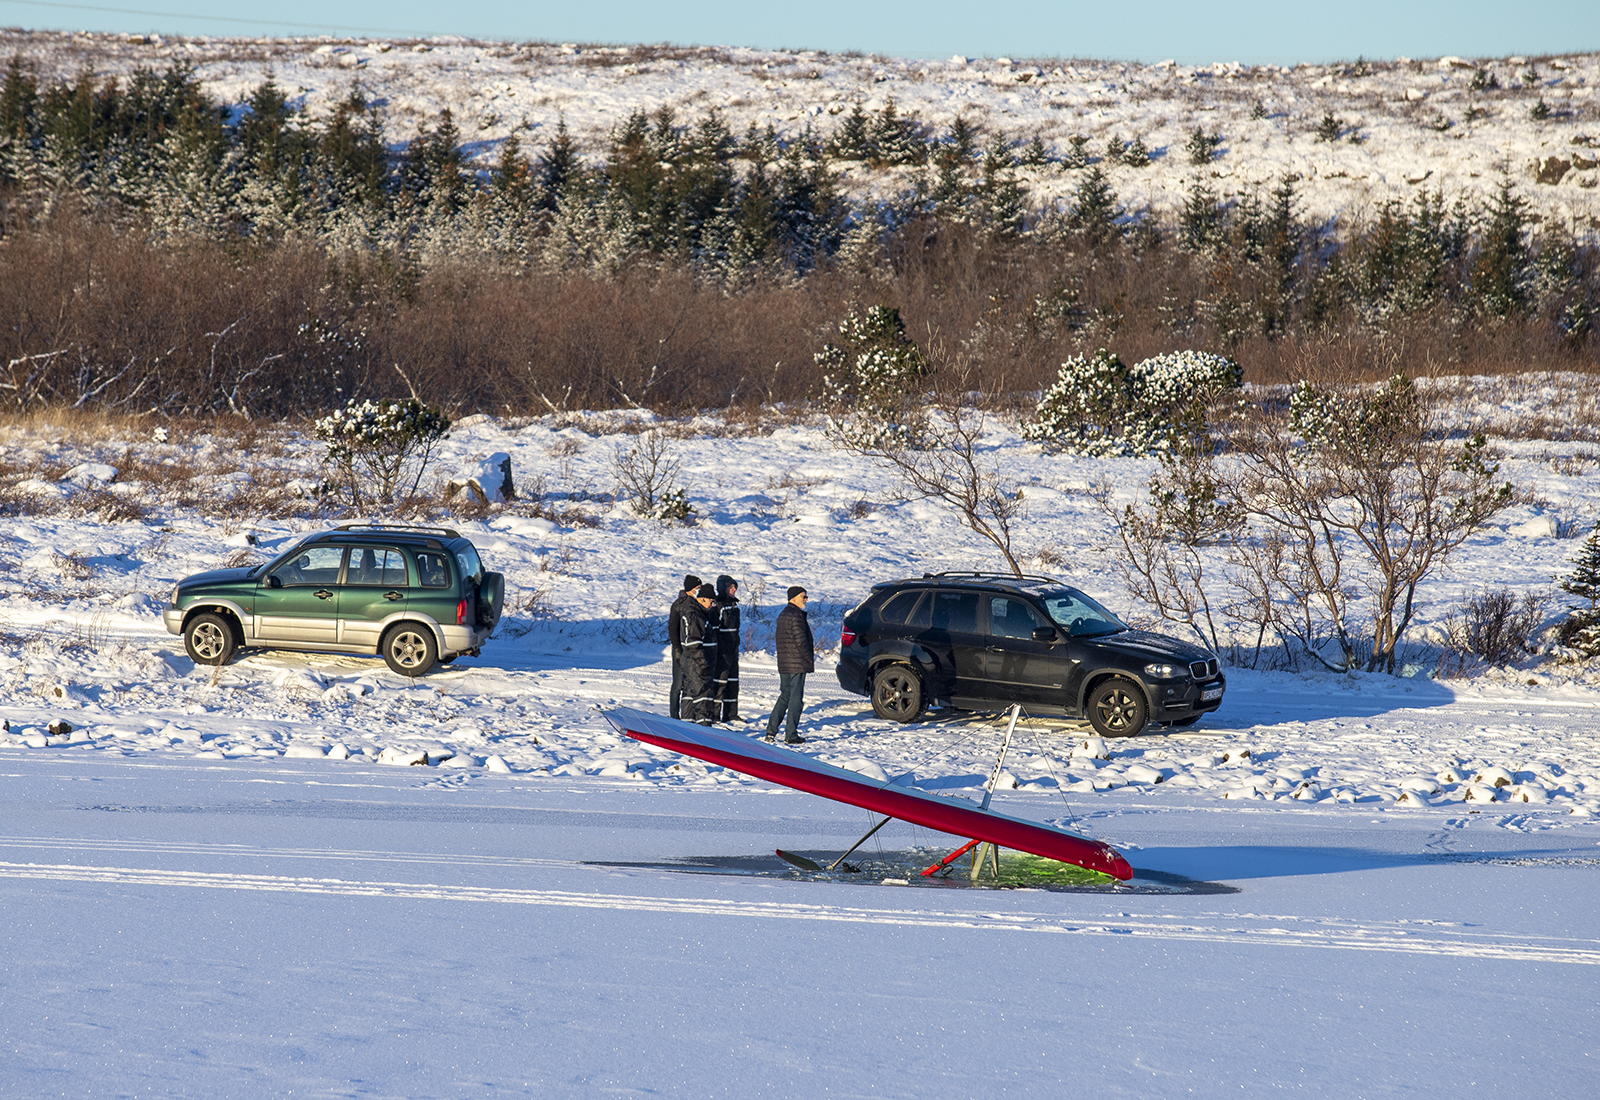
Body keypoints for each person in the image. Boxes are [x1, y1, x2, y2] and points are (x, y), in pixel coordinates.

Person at [765, 586, 814, 745]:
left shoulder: (783, 614)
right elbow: (801, 642)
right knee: (795, 699)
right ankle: (791, 734)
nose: (806, 599)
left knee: (785, 696)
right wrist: (808, 659)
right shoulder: (796, 615)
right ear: (793, 598)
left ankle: (771, 731)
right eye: (803, 596)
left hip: (785, 663)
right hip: (796, 664)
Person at [680, 583, 719, 725]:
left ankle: (686, 728)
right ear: (701, 599)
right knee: (703, 697)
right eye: (711, 601)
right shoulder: (696, 616)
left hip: (692, 663)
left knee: (690, 694)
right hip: (697, 664)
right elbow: (693, 643)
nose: (712, 605)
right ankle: (704, 731)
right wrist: (703, 665)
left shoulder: (699, 613)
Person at [667, 574, 702, 720]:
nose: (699, 591)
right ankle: (674, 714)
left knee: (691, 682)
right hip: (679, 649)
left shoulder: (697, 604)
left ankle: (690, 713)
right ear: (690, 589)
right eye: (697, 588)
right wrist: (677, 648)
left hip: (692, 650)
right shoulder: (678, 605)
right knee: (678, 684)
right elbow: (672, 628)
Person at [712, 574, 742, 723]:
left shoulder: (734, 605)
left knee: (733, 681)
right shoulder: (718, 605)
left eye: (735, 586)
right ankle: (715, 714)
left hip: (733, 649)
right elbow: (715, 629)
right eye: (731, 587)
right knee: (720, 682)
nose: (734, 589)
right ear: (723, 588)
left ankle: (731, 714)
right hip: (722, 651)